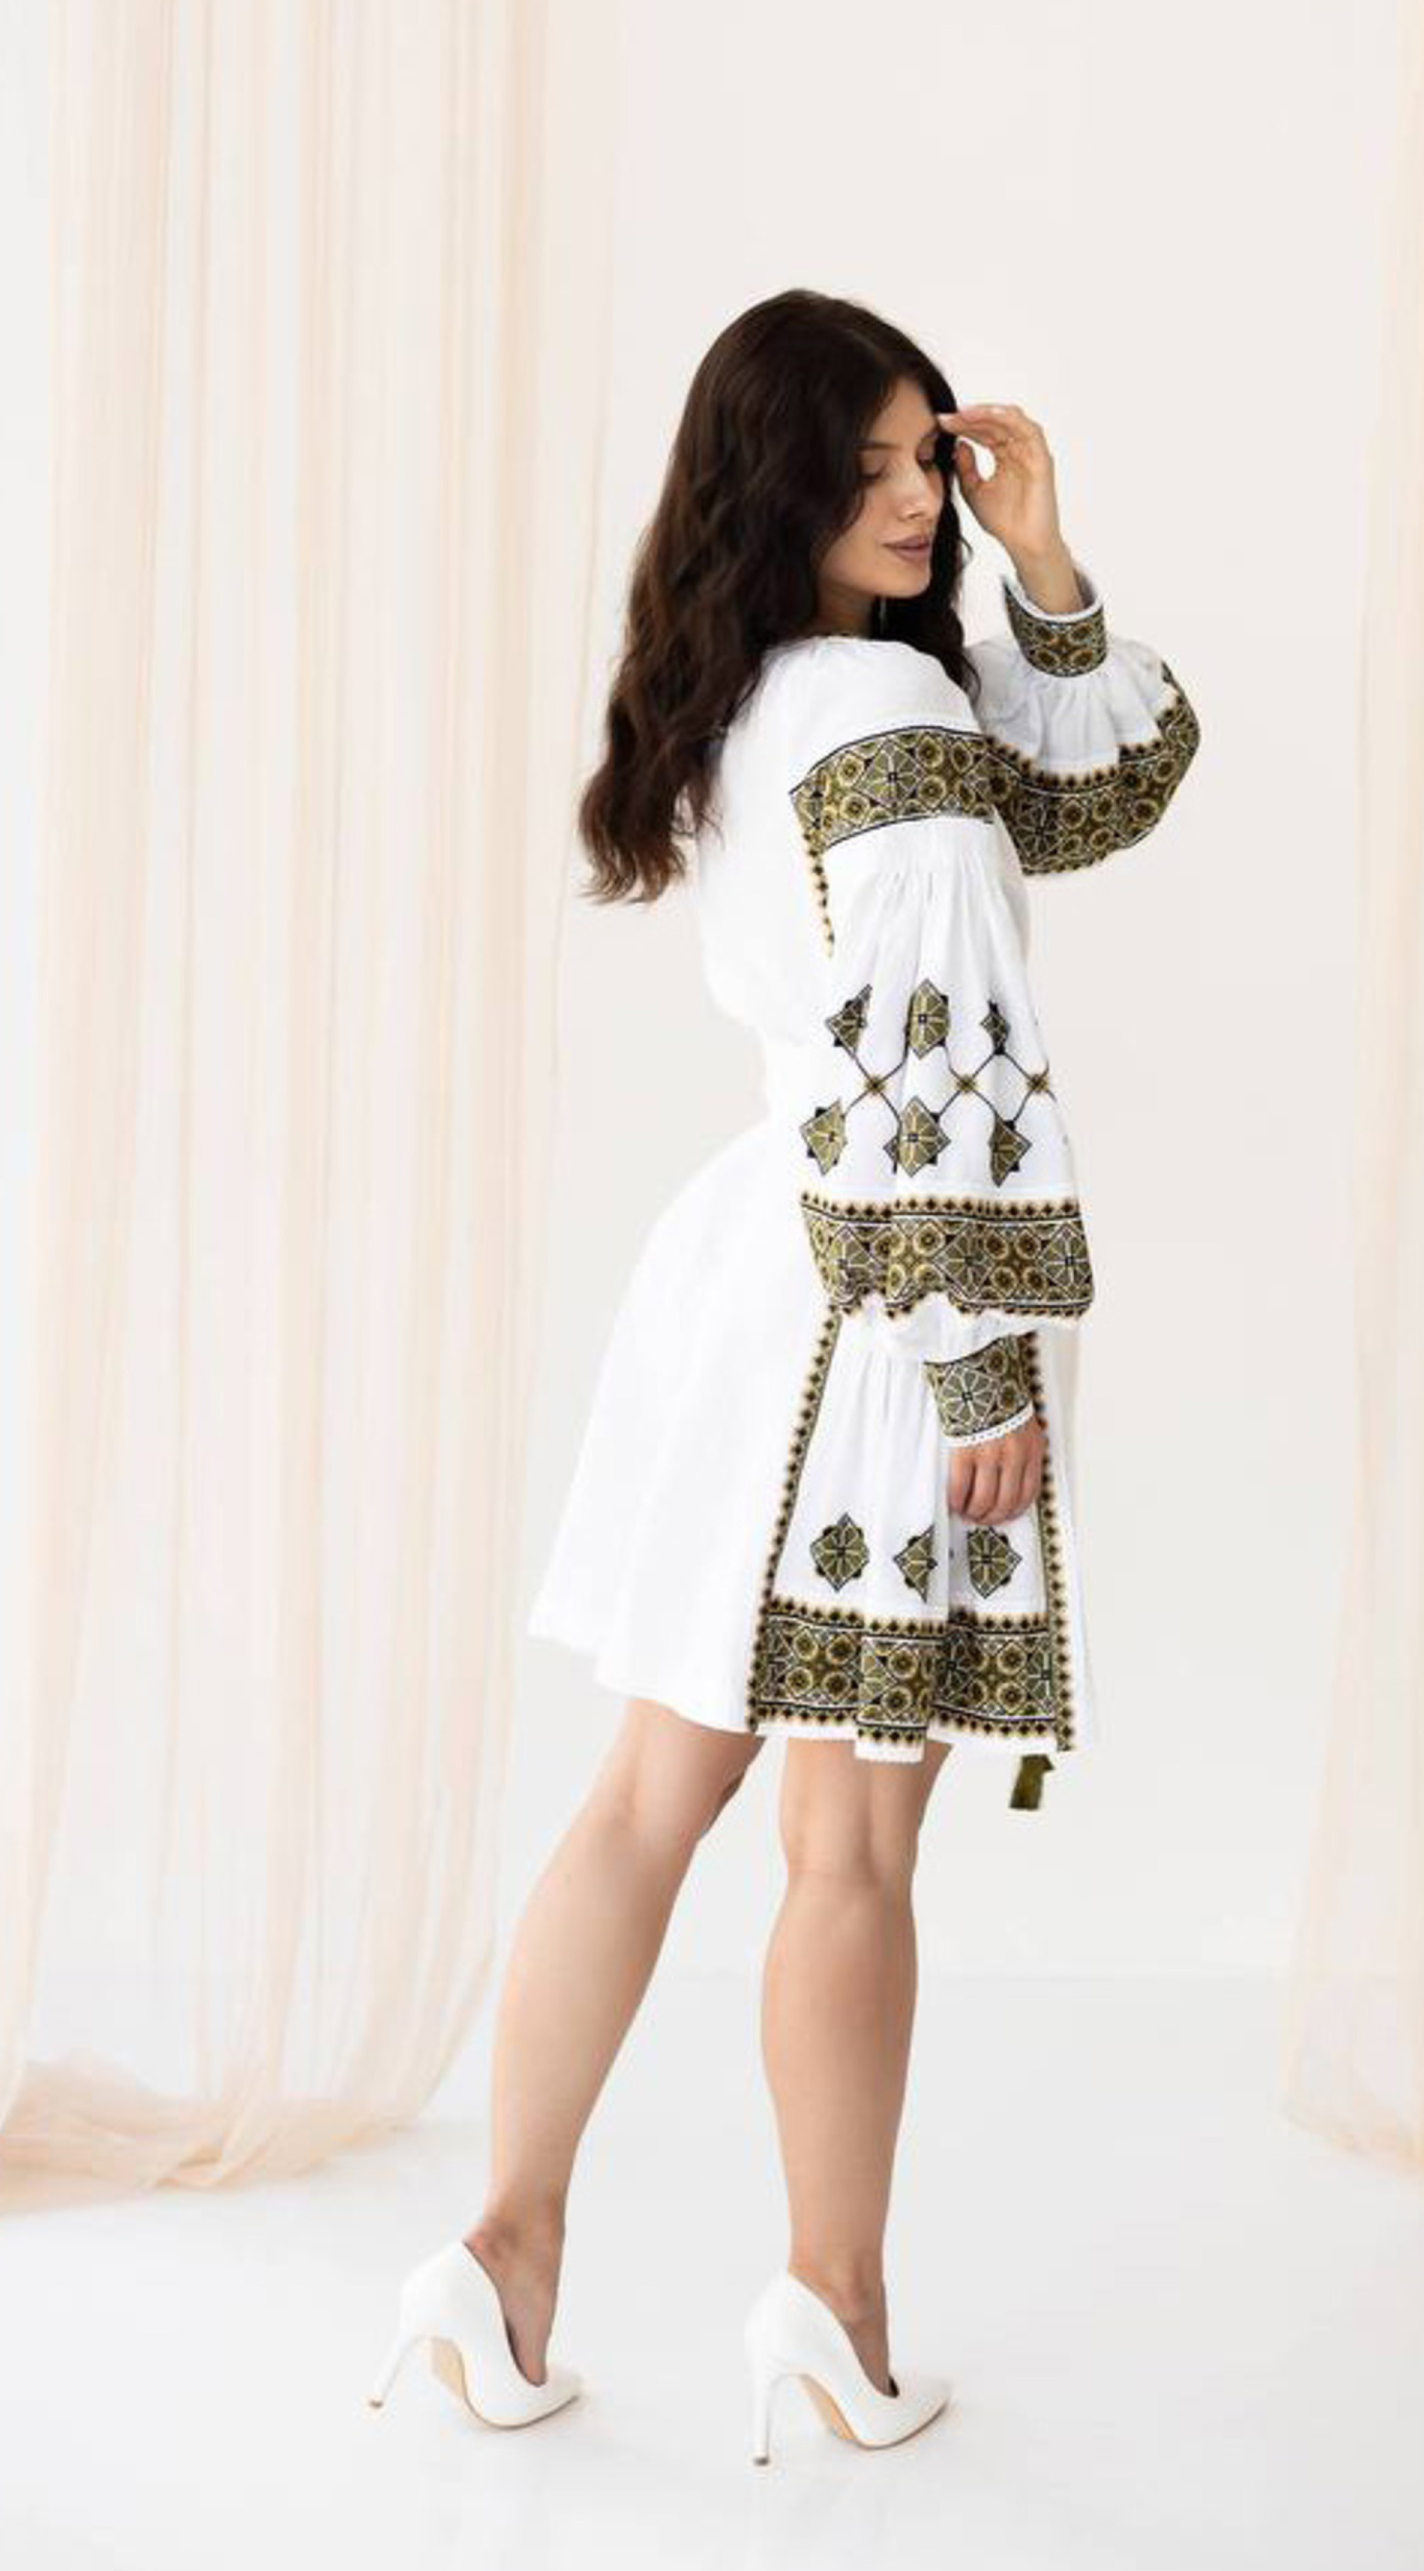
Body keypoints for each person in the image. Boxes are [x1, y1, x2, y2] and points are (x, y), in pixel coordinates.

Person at [366, 289, 1198, 2457]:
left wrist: (1039, 562)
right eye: (870, 465)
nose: (914, 499)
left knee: (648, 1797)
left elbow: (1089, 796)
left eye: (928, 457)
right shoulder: (892, 720)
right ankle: (834, 2311)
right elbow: (943, 1060)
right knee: (845, 1850)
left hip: (755, 1271)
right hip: (881, 1301)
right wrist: (977, 1360)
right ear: (777, 480)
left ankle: (498, 2260)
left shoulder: (759, 698)